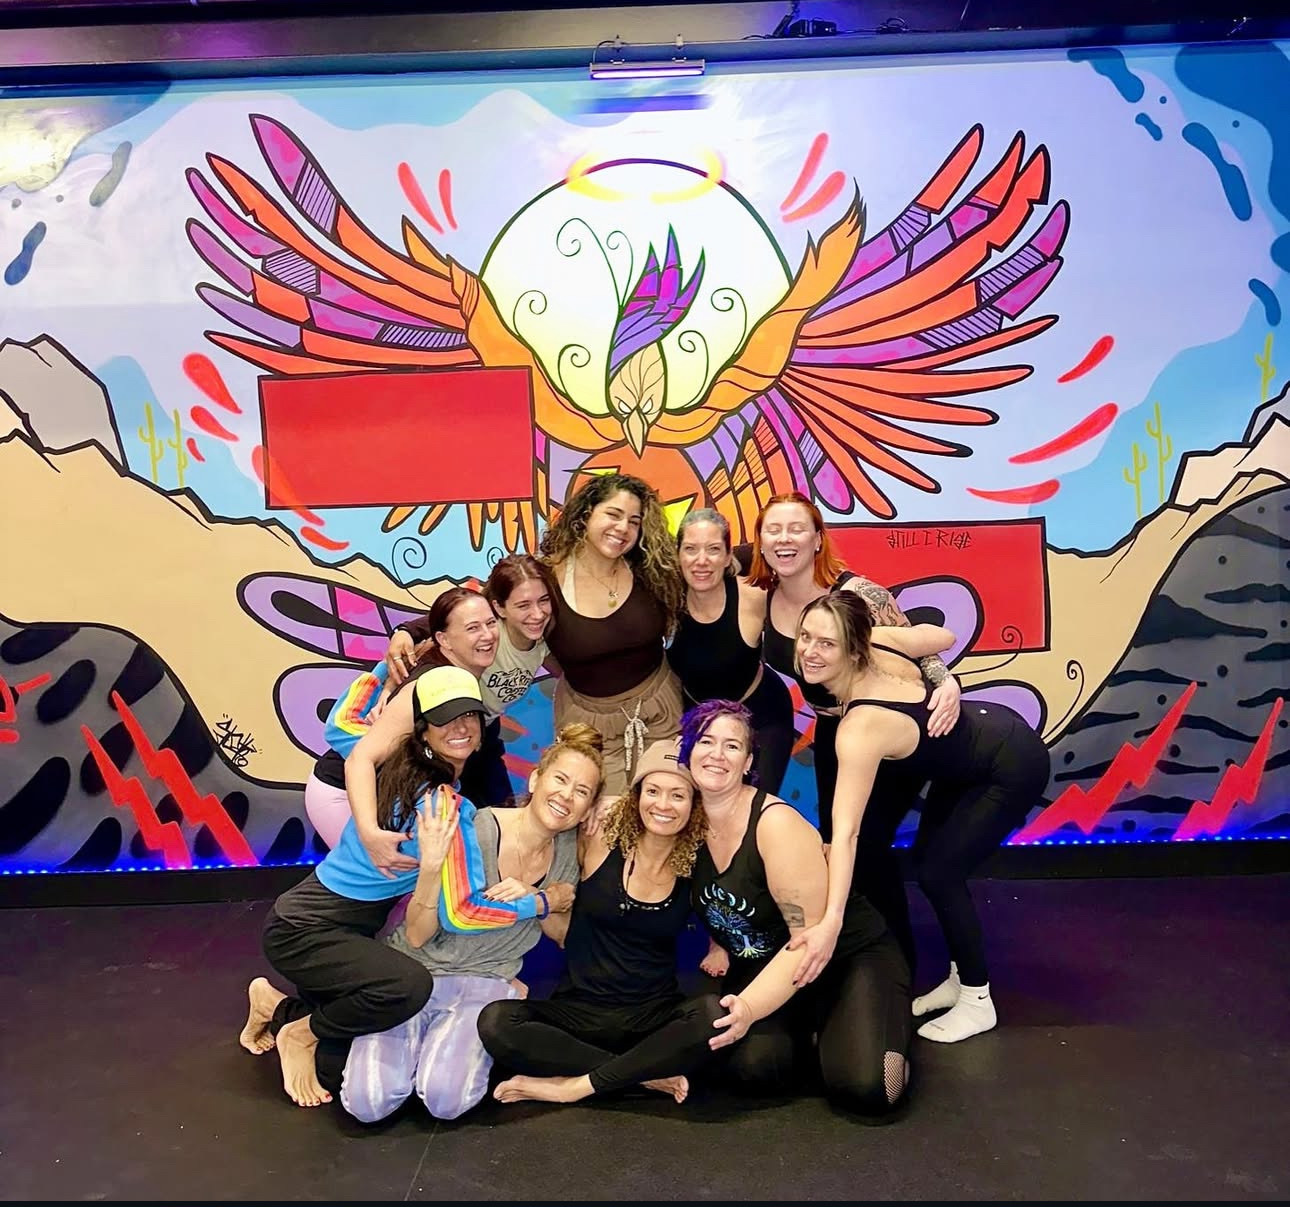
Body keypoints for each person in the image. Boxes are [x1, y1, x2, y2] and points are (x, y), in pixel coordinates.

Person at [238, 666, 505, 1107]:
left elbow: (345, 726)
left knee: (343, 1061)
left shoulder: (395, 766)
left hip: (339, 929)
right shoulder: (440, 805)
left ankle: (273, 1005)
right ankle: (299, 1034)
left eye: (470, 718)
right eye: (445, 719)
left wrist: (384, 668)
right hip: (304, 929)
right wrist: (540, 901)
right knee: (407, 988)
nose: (460, 728)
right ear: (421, 732)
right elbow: (462, 907)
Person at [792, 592, 1051, 1042]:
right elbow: (942, 635)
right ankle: (958, 976)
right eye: (805, 637)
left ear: (854, 649)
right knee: (929, 859)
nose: (810, 652)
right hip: (969, 757)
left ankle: (977, 999)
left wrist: (831, 919)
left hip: (1010, 762)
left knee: (939, 873)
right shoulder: (883, 642)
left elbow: (847, 832)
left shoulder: (860, 729)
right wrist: (938, 675)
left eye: (827, 643)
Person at [336, 723, 602, 1122]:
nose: (567, 796)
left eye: (582, 792)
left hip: (485, 981)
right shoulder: (476, 828)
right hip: (416, 972)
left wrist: (554, 900)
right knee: (367, 1104)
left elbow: (561, 936)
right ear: (535, 778)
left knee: (447, 1101)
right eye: (561, 780)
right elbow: (418, 933)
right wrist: (430, 869)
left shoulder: (569, 853)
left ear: (588, 807)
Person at [742, 491, 962, 971]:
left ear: (818, 538)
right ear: (759, 541)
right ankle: (863, 962)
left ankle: (897, 968)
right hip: (832, 738)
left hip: (885, 730)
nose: (784, 539)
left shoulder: (858, 593)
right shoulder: (763, 598)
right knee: (843, 848)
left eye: (797, 528)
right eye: (772, 530)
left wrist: (949, 683)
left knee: (869, 848)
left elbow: (918, 651)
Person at [681, 700, 912, 1119]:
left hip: (840, 956)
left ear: (748, 760)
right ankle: (819, 1028)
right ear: (688, 750)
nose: (717, 754)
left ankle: (874, 1021)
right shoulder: (683, 817)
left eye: (732, 746)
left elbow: (807, 943)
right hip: (769, 961)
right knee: (753, 1070)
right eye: (706, 741)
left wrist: (750, 1008)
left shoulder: (775, 825)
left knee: (869, 1089)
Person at [478, 740, 723, 1106]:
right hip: (578, 1013)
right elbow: (557, 817)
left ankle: (572, 1086)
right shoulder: (597, 838)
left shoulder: (699, 865)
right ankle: (642, 1077)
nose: (663, 804)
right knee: (497, 1022)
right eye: (652, 791)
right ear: (636, 795)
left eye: (678, 795)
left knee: (712, 1016)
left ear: (694, 805)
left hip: (651, 1018)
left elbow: (729, 912)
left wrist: (719, 947)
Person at [305, 586, 501, 852]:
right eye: (473, 628)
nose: (487, 635)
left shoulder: (457, 674)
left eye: (491, 623)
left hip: (388, 796)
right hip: (343, 793)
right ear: (444, 639)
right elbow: (360, 759)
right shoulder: (424, 685)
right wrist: (370, 833)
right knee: (378, 880)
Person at [539, 472, 686, 809]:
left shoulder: (653, 568)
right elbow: (481, 610)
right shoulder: (544, 578)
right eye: (613, 514)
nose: (623, 529)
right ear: (586, 513)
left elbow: (713, 557)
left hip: (661, 712)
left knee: (662, 815)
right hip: (588, 728)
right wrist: (410, 632)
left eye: (634, 521)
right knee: (598, 826)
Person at [388, 555, 560, 807]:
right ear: (499, 608)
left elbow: (572, 671)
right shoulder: (490, 631)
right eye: (523, 605)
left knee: (500, 811)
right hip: (447, 732)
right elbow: (445, 618)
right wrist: (404, 631)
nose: (537, 613)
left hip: (485, 732)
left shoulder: (543, 639)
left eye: (543, 601)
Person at [668, 508, 795, 793]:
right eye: (690, 549)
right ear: (678, 556)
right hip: (699, 722)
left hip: (762, 717)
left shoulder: (753, 596)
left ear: (727, 557)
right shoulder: (666, 601)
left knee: (752, 808)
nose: (702, 561)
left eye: (713, 549)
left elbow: (807, 613)